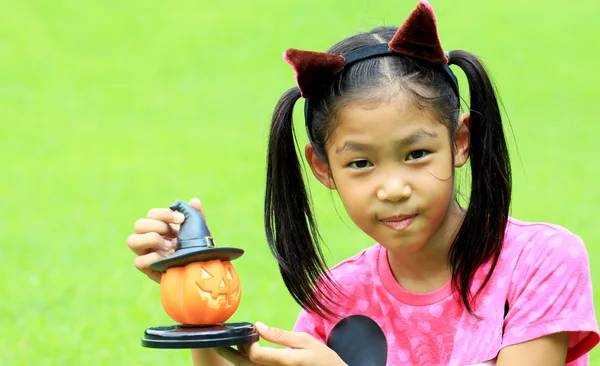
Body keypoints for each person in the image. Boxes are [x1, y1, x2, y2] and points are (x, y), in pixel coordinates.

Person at [127, 1, 599, 365]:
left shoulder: (538, 262)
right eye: (361, 164)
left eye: (416, 154)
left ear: (459, 142)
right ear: (323, 168)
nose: (392, 187)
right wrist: (197, 304)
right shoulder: (340, 294)